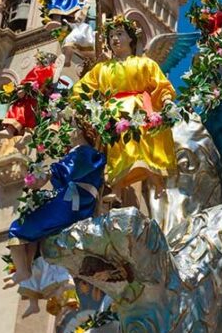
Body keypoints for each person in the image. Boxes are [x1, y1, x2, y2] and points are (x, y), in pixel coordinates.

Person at [72, 16, 177, 210]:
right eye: (111, 36)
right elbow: (81, 89)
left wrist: (167, 102)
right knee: (117, 146)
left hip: (139, 108)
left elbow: (160, 85)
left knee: (145, 137)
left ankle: (156, 180)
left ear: (130, 38)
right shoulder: (101, 69)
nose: (114, 39)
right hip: (113, 113)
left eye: (119, 34)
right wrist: (88, 107)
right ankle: (117, 187)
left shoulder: (145, 64)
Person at [7, 125, 105, 284]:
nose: (66, 133)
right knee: (30, 222)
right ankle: (26, 269)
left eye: (70, 128)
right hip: (75, 202)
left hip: (72, 203)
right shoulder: (82, 153)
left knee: (18, 227)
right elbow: (44, 180)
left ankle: (23, 270)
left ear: (78, 131)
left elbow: (66, 171)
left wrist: (45, 173)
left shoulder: (85, 152)